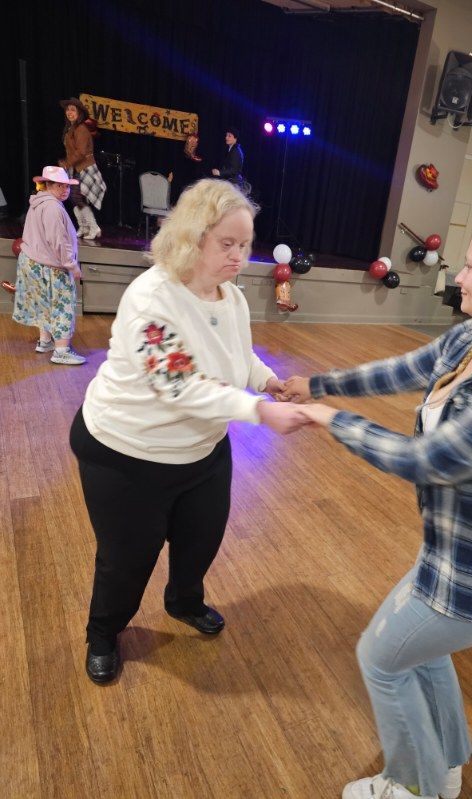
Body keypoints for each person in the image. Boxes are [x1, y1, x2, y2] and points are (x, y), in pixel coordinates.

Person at [283, 207, 472, 799]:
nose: (458, 276)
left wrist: (324, 417)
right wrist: (318, 383)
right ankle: (445, 764)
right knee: (418, 653)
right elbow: (405, 370)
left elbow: (429, 461)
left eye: (471, 265)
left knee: (381, 658)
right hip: (454, 552)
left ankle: (414, 786)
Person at [69, 178, 305, 685]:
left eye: (246, 244)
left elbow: (239, 356)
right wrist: (260, 413)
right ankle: (103, 632)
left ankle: (183, 601)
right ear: (192, 236)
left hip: (201, 452)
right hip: (127, 453)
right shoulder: (152, 298)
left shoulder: (232, 297)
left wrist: (270, 382)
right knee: (126, 560)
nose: (240, 255)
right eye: (228, 243)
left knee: (200, 540)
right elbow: (180, 385)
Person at [12, 166, 86, 365]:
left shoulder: (38, 202)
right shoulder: (52, 207)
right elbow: (58, 241)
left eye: (67, 186)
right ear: (48, 185)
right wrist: (72, 265)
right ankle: (61, 351)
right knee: (62, 305)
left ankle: (45, 341)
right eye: (59, 185)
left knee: (43, 303)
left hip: (32, 261)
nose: (64, 190)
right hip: (49, 265)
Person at [59, 97, 106, 239]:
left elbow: (80, 152)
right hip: (75, 168)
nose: (69, 112)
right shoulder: (71, 128)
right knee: (74, 198)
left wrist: (66, 163)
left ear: (79, 113)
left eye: (73, 110)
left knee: (77, 198)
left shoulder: (81, 129)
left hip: (84, 167)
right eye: (68, 110)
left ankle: (94, 227)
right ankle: (84, 227)